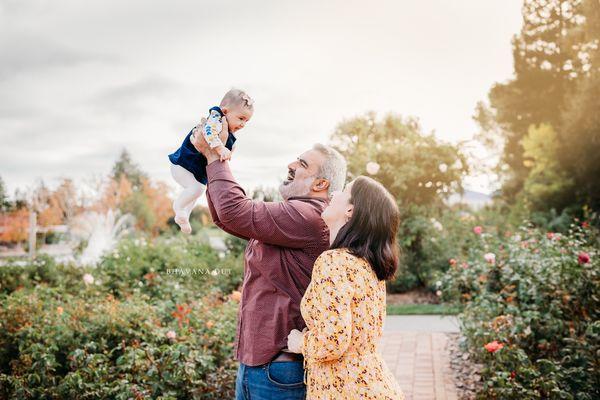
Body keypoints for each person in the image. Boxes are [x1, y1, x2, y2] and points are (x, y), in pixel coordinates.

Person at [190, 121, 347, 400]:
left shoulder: (310, 216)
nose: (291, 164)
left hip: (279, 370)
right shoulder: (296, 214)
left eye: (302, 164)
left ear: (320, 183)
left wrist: (216, 157)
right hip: (261, 365)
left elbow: (234, 211)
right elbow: (227, 218)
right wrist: (211, 157)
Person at [287, 176, 406, 400]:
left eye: (343, 191)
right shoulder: (366, 263)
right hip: (371, 386)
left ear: (350, 210)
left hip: (348, 391)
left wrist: (300, 343)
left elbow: (333, 341)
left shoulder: (333, 261)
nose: (333, 194)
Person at [168, 88, 254, 234]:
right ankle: (178, 207)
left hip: (193, 171)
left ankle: (183, 217)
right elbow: (208, 133)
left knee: (197, 190)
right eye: (241, 118)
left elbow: (227, 148)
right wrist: (220, 149)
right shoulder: (215, 118)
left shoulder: (229, 134)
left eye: (246, 121)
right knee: (196, 189)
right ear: (225, 112)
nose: (243, 124)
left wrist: (229, 150)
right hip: (183, 164)